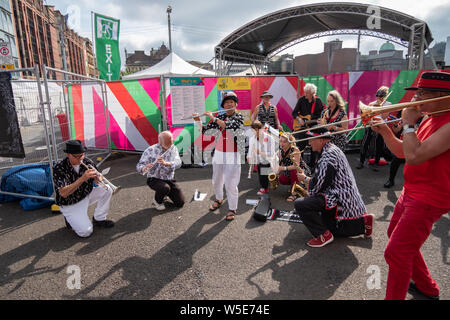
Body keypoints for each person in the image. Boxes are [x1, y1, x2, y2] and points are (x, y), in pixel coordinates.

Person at [371, 71, 450, 300]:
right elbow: (403, 152)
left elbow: (415, 156)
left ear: (445, 96)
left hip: (429, 198)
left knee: (396, 252)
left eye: (423, 93)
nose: (417, 99)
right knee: (394, 236)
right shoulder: (431, 117)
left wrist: (407, 123)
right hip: (412, 190)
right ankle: (427, 287)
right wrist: (385, 130)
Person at [293, 127, 373, 248]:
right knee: (329, 225)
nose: (309, 143)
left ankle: (323, 236)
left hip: (340, 199)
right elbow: (322, 178)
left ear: (321, 140)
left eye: (311, 139)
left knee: (300, 204)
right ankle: (363, 223)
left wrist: (305, 179)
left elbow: (317, 187)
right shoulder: (332, 149)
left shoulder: (327, 157)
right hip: (344, 196)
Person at [193, 91, 245, 221]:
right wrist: (198, 121)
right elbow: (206, 131)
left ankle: (232, 208)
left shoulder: (239, 117)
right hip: (219, 152)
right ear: (223, 105)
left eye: (231, 102)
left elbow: (228, 126)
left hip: (232, 153)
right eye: (226, 102)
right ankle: (219, 199)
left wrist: (213, 117)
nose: (229, 104)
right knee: (216, 179)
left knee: (231, 183)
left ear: (235, 104)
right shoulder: (221, 115)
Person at [52, 140, 114, 238]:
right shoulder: (59, 167)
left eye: (82, 155)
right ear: (68, 155)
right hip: (70, 202)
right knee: (86, 232)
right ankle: (69, 218)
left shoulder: (87, 161)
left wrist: (98, 179)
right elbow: (63, 193)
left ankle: (99, 218)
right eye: (76, 156)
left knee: (107, 189)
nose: (80, 159)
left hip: (85, 195)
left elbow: (96, 182)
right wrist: (82, 178)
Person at [137, 131, 184, 211]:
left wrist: (167, 163)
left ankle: (165, 193)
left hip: (169, 178)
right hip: (154, 178)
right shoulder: (150, 150)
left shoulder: (173, 148)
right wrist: (144, 168)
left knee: (180, 203)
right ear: (160, 142)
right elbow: (139, 165)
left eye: (171, 142)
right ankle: (157, 201)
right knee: (164, 188)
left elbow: (178, 163)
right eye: (167, 144)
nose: (170, 146)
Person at [357, 86, 392, 171]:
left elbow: (384, 117)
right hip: (371, 124)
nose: (378, 98)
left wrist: (380, 107)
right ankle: (361, 162)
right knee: (365, 143)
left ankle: (376, 163)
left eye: (381, 96)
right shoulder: (371, 104)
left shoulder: (388, 104)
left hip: (381, 125)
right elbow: (366, 116)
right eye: (377, 96)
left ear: (384, 96)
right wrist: (369, 122)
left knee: (379, 144)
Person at [292, 83, 324, 158]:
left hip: (313, 126)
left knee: (314, 147)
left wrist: (319, 120)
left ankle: (313, 165)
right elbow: (294, 113)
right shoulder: (301, 100)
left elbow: (321, 115)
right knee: (300, 146)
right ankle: (301, 163)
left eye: (307, 93)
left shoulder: (318, 101)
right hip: (302, 128)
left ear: (313, 93)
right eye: (305, 92)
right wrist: (299, 119)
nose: (305, 94)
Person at [276, 132, 309, 202]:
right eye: (280, 141)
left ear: (290, 142)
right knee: (281, 179)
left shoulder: (295, 150)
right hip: (289, 170)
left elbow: (296, 165)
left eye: (284, 142)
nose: (282, 144)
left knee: (293, 171)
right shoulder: (280, 151)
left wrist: (284, 168)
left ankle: (294, 194)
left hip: (300, 170)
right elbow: (281, 164)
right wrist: (276, 174)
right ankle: (293, 186)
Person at [247, 120, 277, 195]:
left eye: (258, 129)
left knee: (263, 165)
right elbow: (250, 151)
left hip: (270, 159)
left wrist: (260, 153)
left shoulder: (270, 138)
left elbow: (271, 154)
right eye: (254, 130)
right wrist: (249, 158)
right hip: (260, 159)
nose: (256, 132)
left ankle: (264, 187)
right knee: (261, 166)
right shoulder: (252, 139)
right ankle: (265, 183)